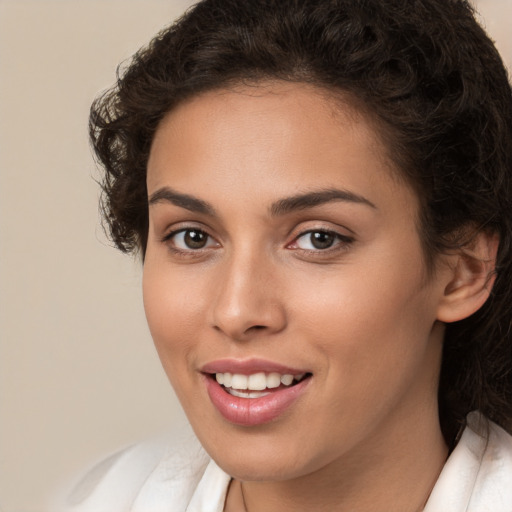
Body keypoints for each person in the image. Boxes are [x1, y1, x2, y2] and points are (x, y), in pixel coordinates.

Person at [63, 0, 512, 510]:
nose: (236, 311)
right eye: (192, 237)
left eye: (319, 238)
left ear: (463, 272)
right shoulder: (102, 497)